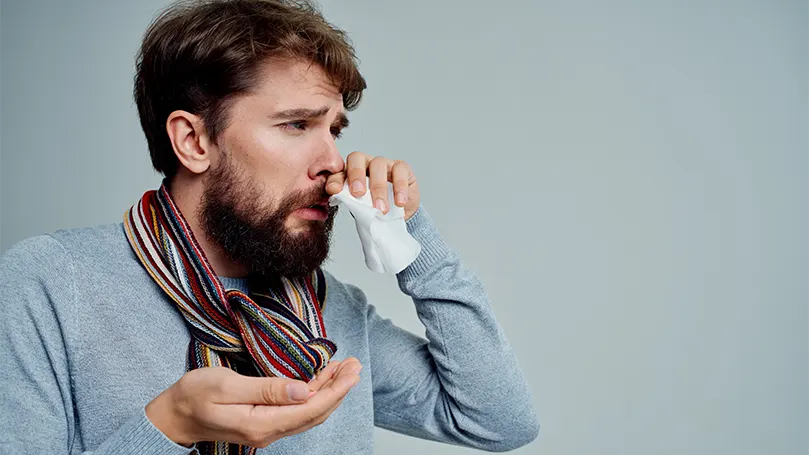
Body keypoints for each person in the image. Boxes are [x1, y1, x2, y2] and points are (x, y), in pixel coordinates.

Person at [0, 1, 539, 453]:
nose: (333, 161)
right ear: (194, 141)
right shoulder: (50, 284)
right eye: (296, 125)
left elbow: (497, 420)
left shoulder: (332, 315)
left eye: (334, 129)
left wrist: (410, 234)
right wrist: (169, 428)